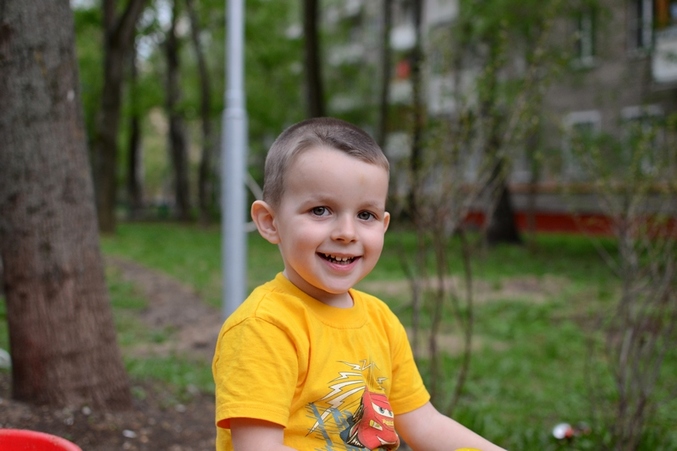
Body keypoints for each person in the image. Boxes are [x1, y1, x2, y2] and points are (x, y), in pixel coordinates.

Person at [212, 117, 507, 451]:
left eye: (365, 215)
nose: (347, 233)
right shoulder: (263, 327)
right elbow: (258, 447)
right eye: (320, 210)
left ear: (383, 225)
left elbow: (424, 423)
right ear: (270, 222)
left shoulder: (380, 320)